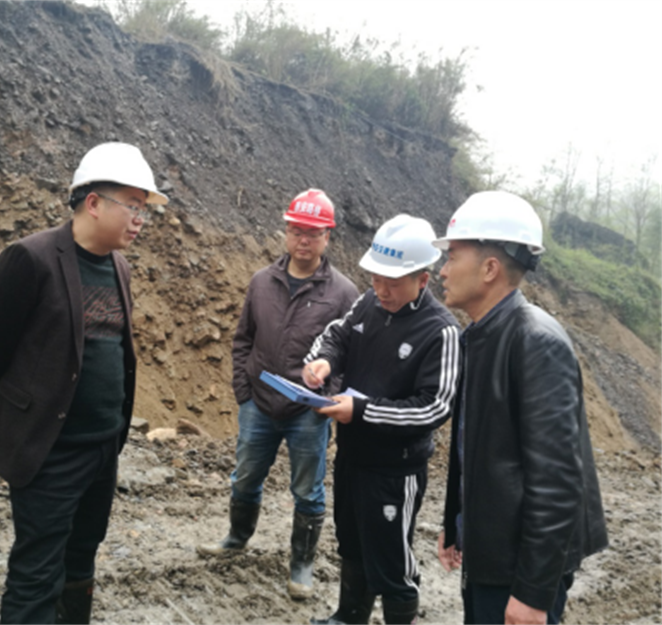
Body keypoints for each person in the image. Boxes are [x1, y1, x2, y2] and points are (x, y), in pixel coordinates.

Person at [0, 142, 168, 625]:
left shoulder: (119, 266)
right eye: (133, 206)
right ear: (93, 202)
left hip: (102, 448)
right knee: (37, 571)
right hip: (50, 451)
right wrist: (32, 404)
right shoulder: (29, 259)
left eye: (145, 209)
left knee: (81, 559)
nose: (140, 219)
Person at [432, 190, 608, 625]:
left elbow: (558, 480)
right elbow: (473, 446)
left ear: (490, 268)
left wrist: (532, 593)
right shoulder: (482, 335)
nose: (442, 270)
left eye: (452, 257)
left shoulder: (534, 342)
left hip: (516, 571)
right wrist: (456, 524)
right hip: (490, 555)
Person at [197, 189, 359, 600]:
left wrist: (327, 400)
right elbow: (243, 340)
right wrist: (243, 392)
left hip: (308, 412)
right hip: (259, 403)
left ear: (327, 237)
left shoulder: (343, 293)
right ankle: (236, 537)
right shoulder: (261, 282)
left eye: (313, 233)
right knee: (246, 477)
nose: (304, 240)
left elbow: (350, 357)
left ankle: (301, 565)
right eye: (297, 231)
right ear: (286, 233)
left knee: (307, 490)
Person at [303, 214, 461, 625]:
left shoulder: (441, 331)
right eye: (375, 278)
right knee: (352, 543)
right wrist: (323, 361)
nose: (382, 290)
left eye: (393, 282)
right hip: (352, 456)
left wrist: (361, 410)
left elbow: (434, 407)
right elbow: (337, 335)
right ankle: (348, 617)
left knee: (391, 562)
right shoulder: (369, 302)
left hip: (394, 470)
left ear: (422, 279)